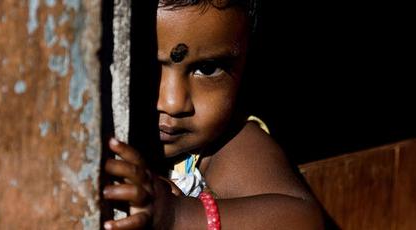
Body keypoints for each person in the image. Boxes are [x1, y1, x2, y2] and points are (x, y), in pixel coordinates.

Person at [103, 0, 324, 229]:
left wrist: (177, 215)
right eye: (147, 68)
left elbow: (303, 221)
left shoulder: (223, 144)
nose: (174, 103)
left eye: (207, 69)